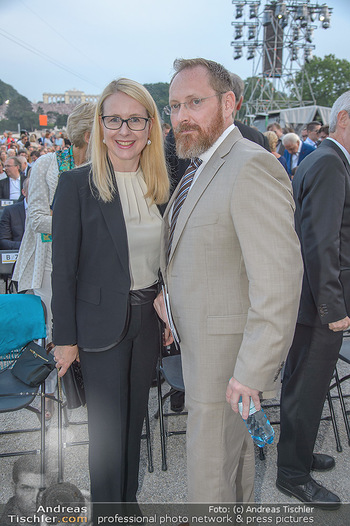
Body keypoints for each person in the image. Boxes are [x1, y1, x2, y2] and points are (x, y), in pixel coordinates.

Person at [154, 57, 303, 503]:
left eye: (194, 102)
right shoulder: (200, 166)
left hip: (229, 363)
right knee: (228, 472)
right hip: (203, 350)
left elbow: (279, 280)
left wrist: (252, 372)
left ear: (229, 103)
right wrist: (170, 296)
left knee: (209, 479)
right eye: (175, 106)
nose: (182, 116)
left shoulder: (250, 165)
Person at [52, 78, 169, 508]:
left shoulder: (160, 184)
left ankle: (127, 502)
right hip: (98, 329)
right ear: (99, 127)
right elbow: (61, 272)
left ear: (151, 127)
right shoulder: (76, 185)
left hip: (146, 323)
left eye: (135, 120)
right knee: (106, 433)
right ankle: (108, 510)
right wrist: (64, 340)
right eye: (114, 119)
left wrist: (168, 311)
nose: (125, 130)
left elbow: (163, 263)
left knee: (135, 419)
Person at [276, 91, 350, 509]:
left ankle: (297, 455)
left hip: (313, 299)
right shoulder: (328, 163)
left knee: (306, 385)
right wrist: (332, 308)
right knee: (306, 387)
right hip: (319, 303)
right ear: (343, 119)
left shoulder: (324, 158)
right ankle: (292, 475)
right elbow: (321, 242)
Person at [12, 102, 95, 419]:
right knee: (48, 333)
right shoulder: (47, 164)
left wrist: (59, 217)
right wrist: (75, 222)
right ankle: (47, 395)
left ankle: (79, 388)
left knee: (78, 331)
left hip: (82, 266)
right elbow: (36, 220)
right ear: (88, 135)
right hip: (46, 265)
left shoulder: (99, 169)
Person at [0, 176, 29, 249]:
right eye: (33, 190)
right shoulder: (10, 211)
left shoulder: (49, 211)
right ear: (24, 192)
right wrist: (26, 247)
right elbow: (3, 241)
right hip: (19, 253)